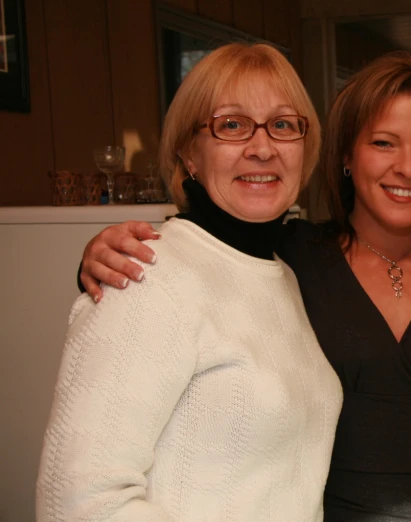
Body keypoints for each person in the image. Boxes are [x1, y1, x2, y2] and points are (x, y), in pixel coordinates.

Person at [71, 52, 411, 521]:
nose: (407, 168)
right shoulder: (290, 253)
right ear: (345, 155)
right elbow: (202, 253)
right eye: (383, 142)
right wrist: (100, 254)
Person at [36, 43, 342, 522]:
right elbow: (78, 502)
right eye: (232, 125)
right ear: (189, 153)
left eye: (283, 125)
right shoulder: (145, 273)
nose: (262, 147)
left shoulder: (283, 274)